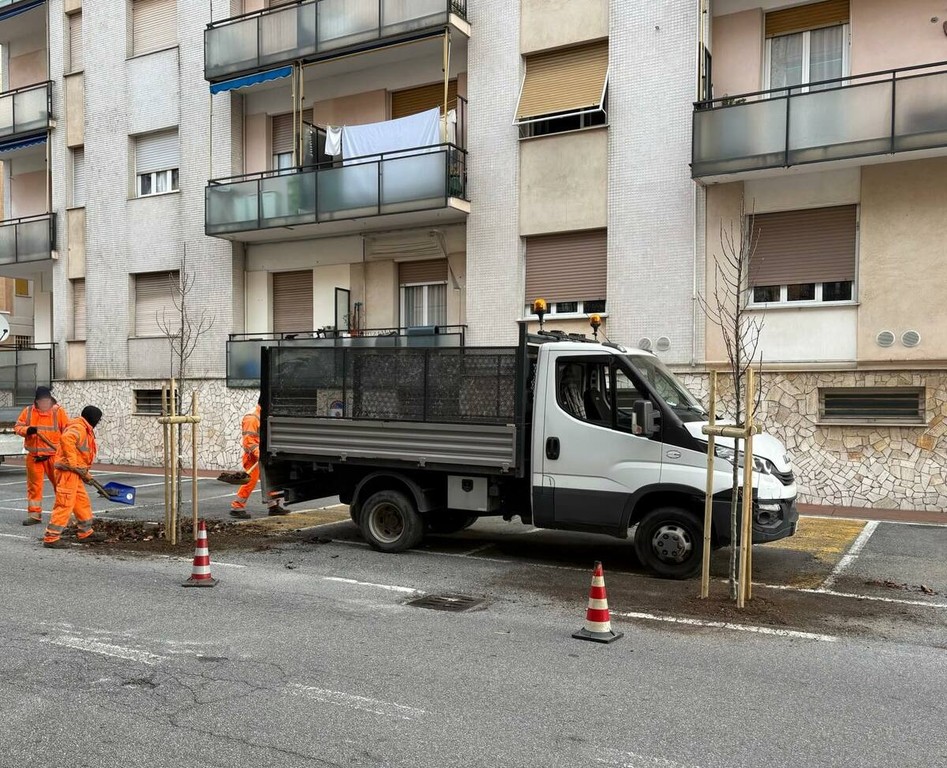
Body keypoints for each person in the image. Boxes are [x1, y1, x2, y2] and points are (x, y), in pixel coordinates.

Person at [43, 406, 107, 549]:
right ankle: (51, 537)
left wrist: (85, 474)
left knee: (81, 502)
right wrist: (73, 464)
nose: (98, 422)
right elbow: (67, 439)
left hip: (74, 472)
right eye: (98, 419)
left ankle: (85, 532)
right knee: (64, 504)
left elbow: (79, 456)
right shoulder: (79, 427)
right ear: (94, 419)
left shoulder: (84, 428)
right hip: (67, 472)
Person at [14, 386, 69, 525]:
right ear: (36, 401)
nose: (45, 404)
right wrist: (27, 430)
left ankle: (65, 515)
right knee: (34, 488)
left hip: (53, 456)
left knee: (61, 487)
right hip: (34, 457)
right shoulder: (28, 411)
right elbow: (18, 427)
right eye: (42, 401)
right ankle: (34, 515)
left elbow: (67, 431)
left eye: (47, 401)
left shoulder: (58, 412)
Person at [230, 397, 289, 519]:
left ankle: (273, 506)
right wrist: (260, 454)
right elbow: (249, 442)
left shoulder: (262, 416)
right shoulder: (252, 417)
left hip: (261, 454)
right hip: (252, 457)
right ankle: (237, 507)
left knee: (269, 479)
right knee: (250, 481)